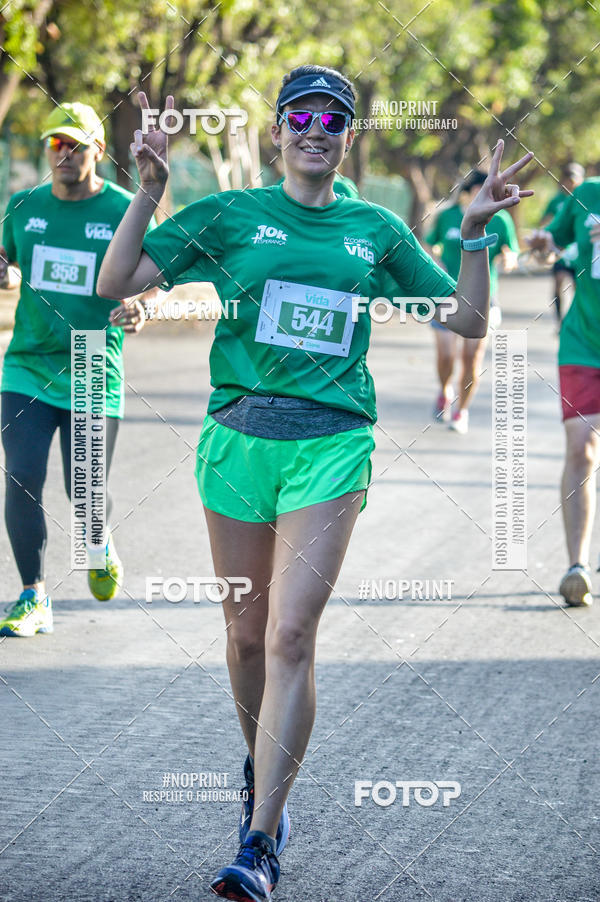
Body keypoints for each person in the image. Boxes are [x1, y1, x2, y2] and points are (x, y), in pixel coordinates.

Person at [97, 66, 533, 901]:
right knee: (247, 637)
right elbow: (117, 283)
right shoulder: (229, 216)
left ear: (348, 137)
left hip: (330, 445)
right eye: (301, 114)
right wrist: (147, 192)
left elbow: (468, 321)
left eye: (333, 118)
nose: (315, 128)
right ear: (277, 130)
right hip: (236, 442)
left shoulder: (375, 231)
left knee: (293, 635)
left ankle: (259, 843)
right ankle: (263, 770)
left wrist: (474, 235)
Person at [0, 102, 156, 638]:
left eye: (74, 145)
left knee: (83, 489)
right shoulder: (23, 206)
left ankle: (98, 537)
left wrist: (143, 304)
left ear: (97, 150)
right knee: (21, 475)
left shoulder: (121, 209)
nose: (63, 155)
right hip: (27, 362)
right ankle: (32, 596)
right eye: (54, 145)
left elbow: (158, 270)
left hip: (93, 359)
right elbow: (5, 260)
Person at [529, 175, 600, 607]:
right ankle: (578, 565)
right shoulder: (587, 193)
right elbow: (551, 242)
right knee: (581, 448)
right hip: (583, 343)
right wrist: (541, 243)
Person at [424, 171, 520, 432]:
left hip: (482, 300)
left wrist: (510, 259)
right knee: (446, 355)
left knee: (471, 357)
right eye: (476, 192)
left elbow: (511, 251)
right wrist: (436, 259)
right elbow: (431, 244)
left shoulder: (500, 220)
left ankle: (461, 411)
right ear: (466, 192)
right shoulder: (449, 216)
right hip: (446, 295)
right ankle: (445, 389)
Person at [539, 162, 585, 325]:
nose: (571, 183)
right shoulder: (556, 201)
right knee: (559, 282)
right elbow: (544, 222)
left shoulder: (585, 199)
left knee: (577, 286)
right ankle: (559, 320)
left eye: (575, 179)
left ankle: (577, 320)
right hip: (560, 250)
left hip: (579, 251)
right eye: (568, 179)